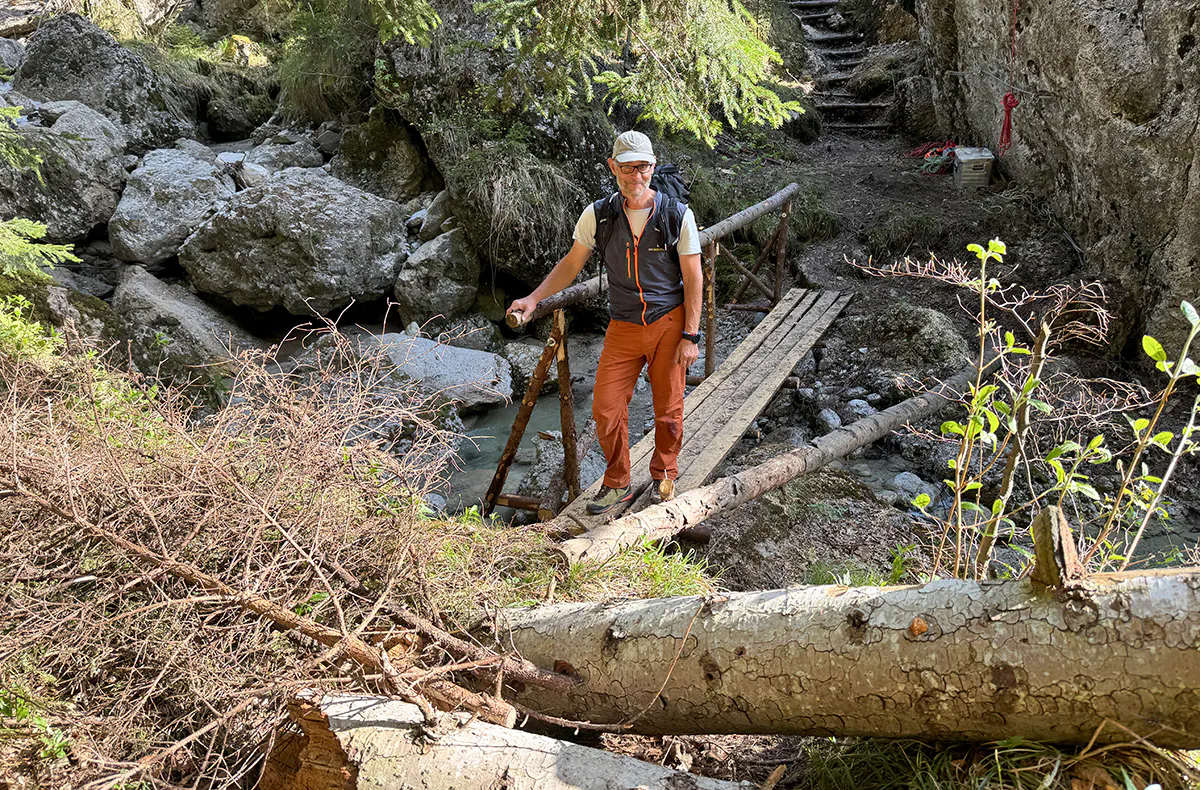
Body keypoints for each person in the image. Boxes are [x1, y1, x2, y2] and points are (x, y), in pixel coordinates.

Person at [507, 131, 703, 515]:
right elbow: (571, 264)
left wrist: (690, 335)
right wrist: (533, 299)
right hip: (624, 326)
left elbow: (694, 278)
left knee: (668, 409)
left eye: (643, 167)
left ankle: (665, 473)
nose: (636, 176)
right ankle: (618, 483)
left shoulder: (677, 215)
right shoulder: (598, 215)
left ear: (652, 165)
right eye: (627, 167)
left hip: (668, 322)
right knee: (606, 408)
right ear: (613, 167)